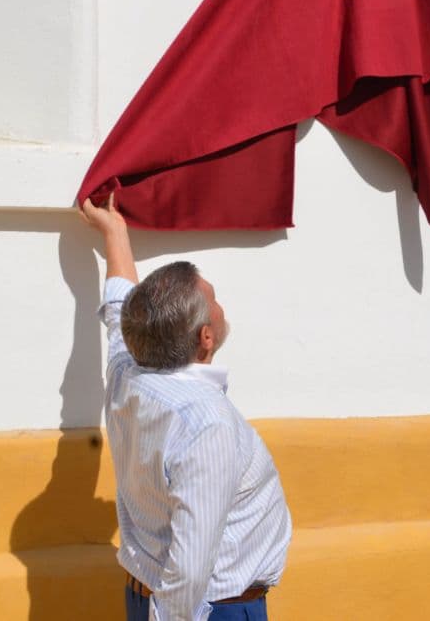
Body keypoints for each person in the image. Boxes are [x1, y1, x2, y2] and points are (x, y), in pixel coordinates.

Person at [80, 195, 292, 621]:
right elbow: (190, 567)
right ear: (205, 337)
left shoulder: (128, 374)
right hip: (204, 611)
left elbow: (119, 306)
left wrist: (114, 232)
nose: (220, 303)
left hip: (148, 598)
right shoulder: (206, 423)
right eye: (212, 299)